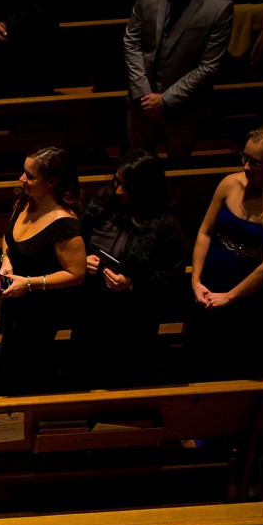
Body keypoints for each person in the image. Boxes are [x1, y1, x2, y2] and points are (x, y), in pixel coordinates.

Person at [76, 149, 188, 386]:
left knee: (124, 376)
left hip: (133, 316)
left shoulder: (165, 225)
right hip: (91, 305)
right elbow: (78, 238)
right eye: (117, 181)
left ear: (145, 188)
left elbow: (172, 274)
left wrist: (132, 284)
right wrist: (82, 258)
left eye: (126, 186)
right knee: (84, 370)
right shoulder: (103, 203)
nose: (118, 190)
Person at [123, 0, 233, 162]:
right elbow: (131, 41)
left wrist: (165, 100)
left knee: (179, 176)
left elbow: (209, 66)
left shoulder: (219, 6)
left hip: (184, 109)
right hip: (141, 104)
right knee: (135, 172)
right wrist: (144, 93)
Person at [0, 147, 86, 390]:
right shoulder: (26, 200)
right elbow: (9, 237)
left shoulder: (64, 224)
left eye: (29, 176)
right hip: (15, 302)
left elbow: (77, 274)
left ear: (51, 182)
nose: (21, 179)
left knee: (29, 371)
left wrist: (30, 283)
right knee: (8, 358)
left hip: (40, 312)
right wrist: (6, 260)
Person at [187, 128, 263, 382]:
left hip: (248, 296)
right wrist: (196, 281)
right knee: (198, 359)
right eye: (244, 157)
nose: (246, 167)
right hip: (210, 283)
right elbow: (205, 232)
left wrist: (230, 297)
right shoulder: (230, 183)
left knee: (235, 364)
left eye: (255, 163)